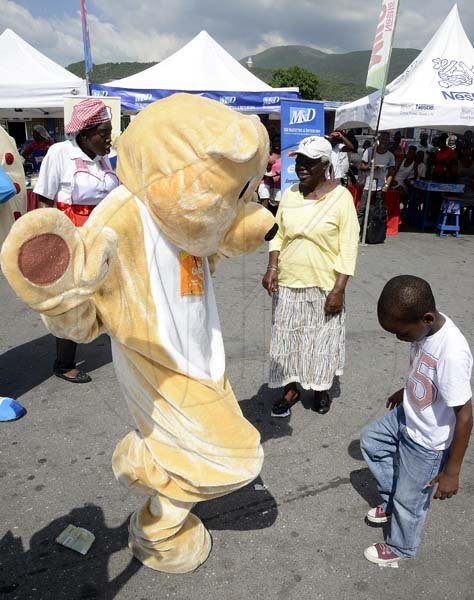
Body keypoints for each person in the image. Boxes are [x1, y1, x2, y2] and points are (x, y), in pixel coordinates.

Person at [360, 275, 472, 565]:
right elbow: (426, 371)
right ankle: (394, 500)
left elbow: (466, 416)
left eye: (403, 334)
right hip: (408, 415)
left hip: (427, 442)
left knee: (411, 503)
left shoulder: (453, 353)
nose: (400, 339)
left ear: (426, 318)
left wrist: (452, 471)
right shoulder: (425, 328)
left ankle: (402, 546)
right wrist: (407, 389)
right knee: (371, 442)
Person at [262, 136, 359, 417]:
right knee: (287, 340)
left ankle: (320, 388)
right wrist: (272, 267)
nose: (301, 166)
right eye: (299, 160)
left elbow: (349, 246)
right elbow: (276, 233)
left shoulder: (341, 198)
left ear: (325, 165)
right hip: (288, 282)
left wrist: (339, 289)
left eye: (309, 162)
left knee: (321, 341)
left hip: (324, 284)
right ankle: (290, 389)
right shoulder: (290, 194)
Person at [34, 98, 119, 383]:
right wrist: (51, 244)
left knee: (105, 293)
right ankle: (64, 362)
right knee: (71, 301)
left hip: (102, 237)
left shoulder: (105, 158)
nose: (109, 139)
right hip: (71, 239)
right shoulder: (59, 153)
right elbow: (44, 201)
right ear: (84, 134)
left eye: (109, 133)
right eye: (104, 133)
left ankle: (100, 335)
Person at [357, 131, 396, 228]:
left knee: (378, 209)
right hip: (368, 184)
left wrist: (387, 185)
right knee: (362, 209)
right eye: (382, 139)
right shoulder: (370, 151)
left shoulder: (390, 156)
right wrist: (370, 167)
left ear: (389, 141)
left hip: (381, 186)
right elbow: (361, 166)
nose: (384, 141)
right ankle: (358, 229)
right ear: (378, 140)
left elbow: (391, 172)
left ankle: (374, 230)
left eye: (386, 140)